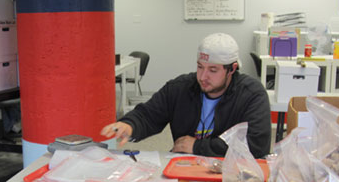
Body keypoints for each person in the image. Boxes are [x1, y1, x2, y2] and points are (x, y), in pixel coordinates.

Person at [101, 33, 271, 158]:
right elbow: (149, 115)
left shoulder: (252, 95)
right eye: (200, 67)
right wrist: (129, 125)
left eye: (213, 70)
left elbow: (256, 145)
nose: (203, 77)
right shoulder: (180, 88)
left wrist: (198, 147)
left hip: (228, 171)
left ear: (232, 69)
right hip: (183, 165)